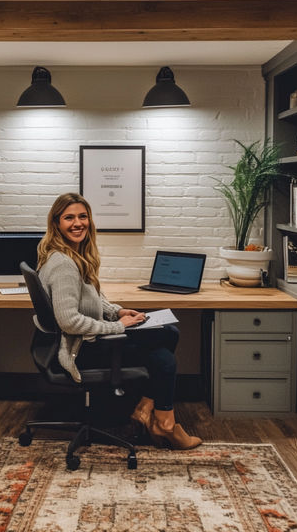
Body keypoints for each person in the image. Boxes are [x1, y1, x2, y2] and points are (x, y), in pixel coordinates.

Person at [36, 192, 202, 450]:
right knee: (168, 334)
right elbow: (69, 321)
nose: (77, 223)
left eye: (83, 216)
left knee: (163, 353)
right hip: (80, 350)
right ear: (56, 223)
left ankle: (152, 414)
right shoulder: (63, 265)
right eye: (69, 218)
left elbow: (93, 298)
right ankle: (160, 419)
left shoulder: (73, 255)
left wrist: (119, 311)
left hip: (84, 342)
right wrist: (117, 326)